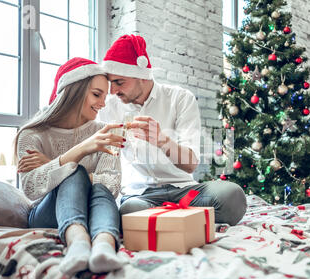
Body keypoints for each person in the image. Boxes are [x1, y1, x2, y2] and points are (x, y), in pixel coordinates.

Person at [99, 34, 247, 225]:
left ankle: (166, 219)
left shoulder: (180, 99)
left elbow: (190, 164)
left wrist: (162, 140)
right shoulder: (109, 107)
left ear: (141, 76)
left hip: (184, 191)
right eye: (111, 83)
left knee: (232, 197)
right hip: (141, 195)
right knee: (130, 211)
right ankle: (183, 219)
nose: (113, 91)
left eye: (119, 82)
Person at [14, 57, 126, 276]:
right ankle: (78, 242)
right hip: (47, 213)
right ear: (74, 92)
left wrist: (51, 163)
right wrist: (79, 151)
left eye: (105, 96)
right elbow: (30, 188)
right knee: (75, 172)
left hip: (95, 208)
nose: (102, 103)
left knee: (92, 182)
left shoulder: (107, 132)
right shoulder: (32, 134)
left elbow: (112, 185)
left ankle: (104, 245)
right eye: (96, 94)